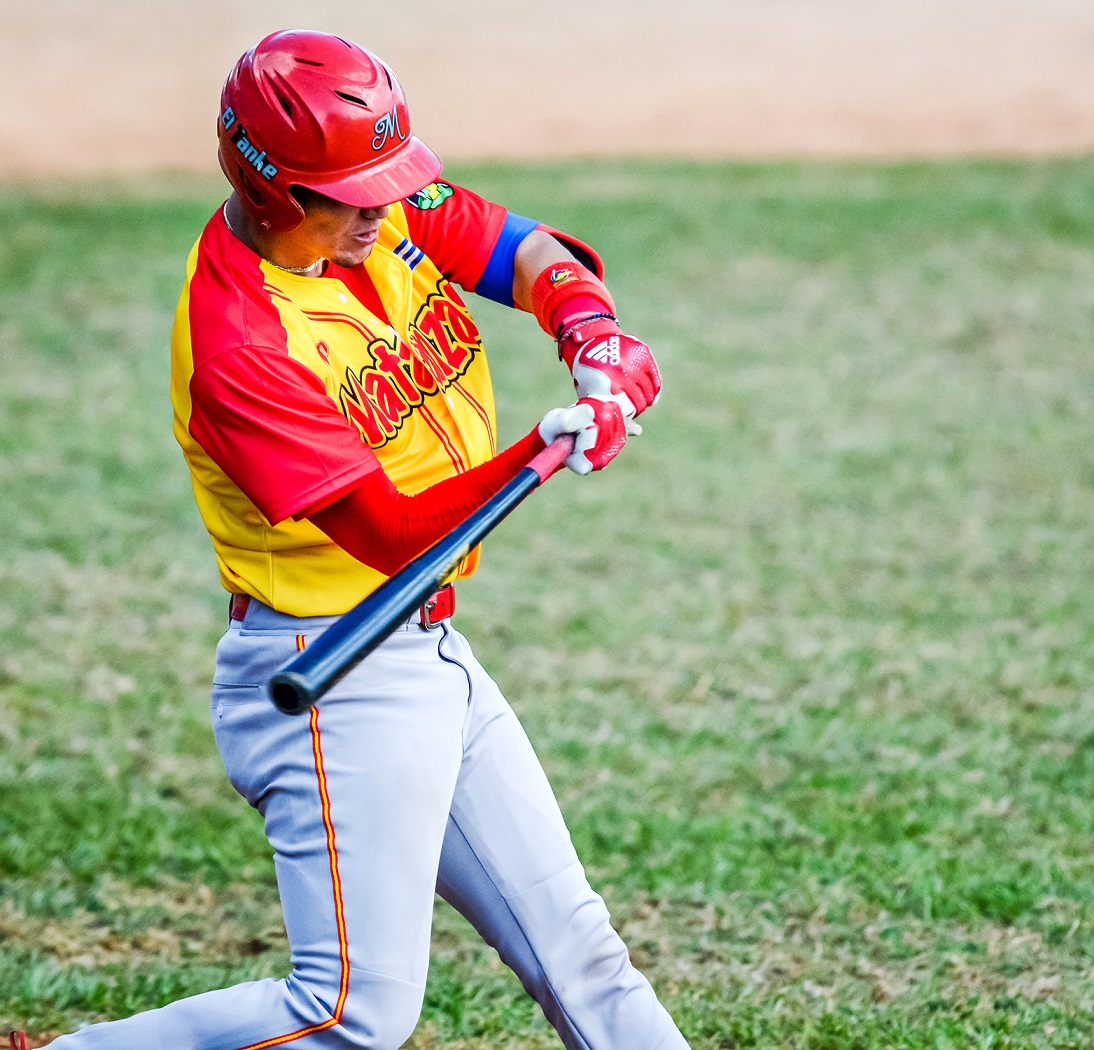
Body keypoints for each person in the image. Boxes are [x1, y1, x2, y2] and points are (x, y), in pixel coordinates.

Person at [11, 29, 686, 1050]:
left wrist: (589, 329)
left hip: (427, 654)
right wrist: (545, 446)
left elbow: (517, 247)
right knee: (349, 1012)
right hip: (331, 671)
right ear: (281, 193)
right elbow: (391, 534)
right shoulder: (242, 343)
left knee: (579, 953)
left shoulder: (376, 206)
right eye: (357, 197)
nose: (388, 207)